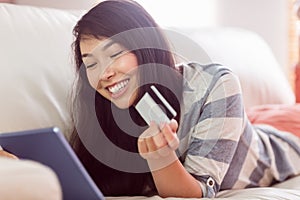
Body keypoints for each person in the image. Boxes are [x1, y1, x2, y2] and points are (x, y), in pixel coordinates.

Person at [69, 0, 300, 198]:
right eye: (91, 64)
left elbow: (199, 192)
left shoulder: (216, 83)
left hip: (281, 140)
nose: (104, 73)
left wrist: (161, 158)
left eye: (115, 54)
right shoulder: (101, 113)